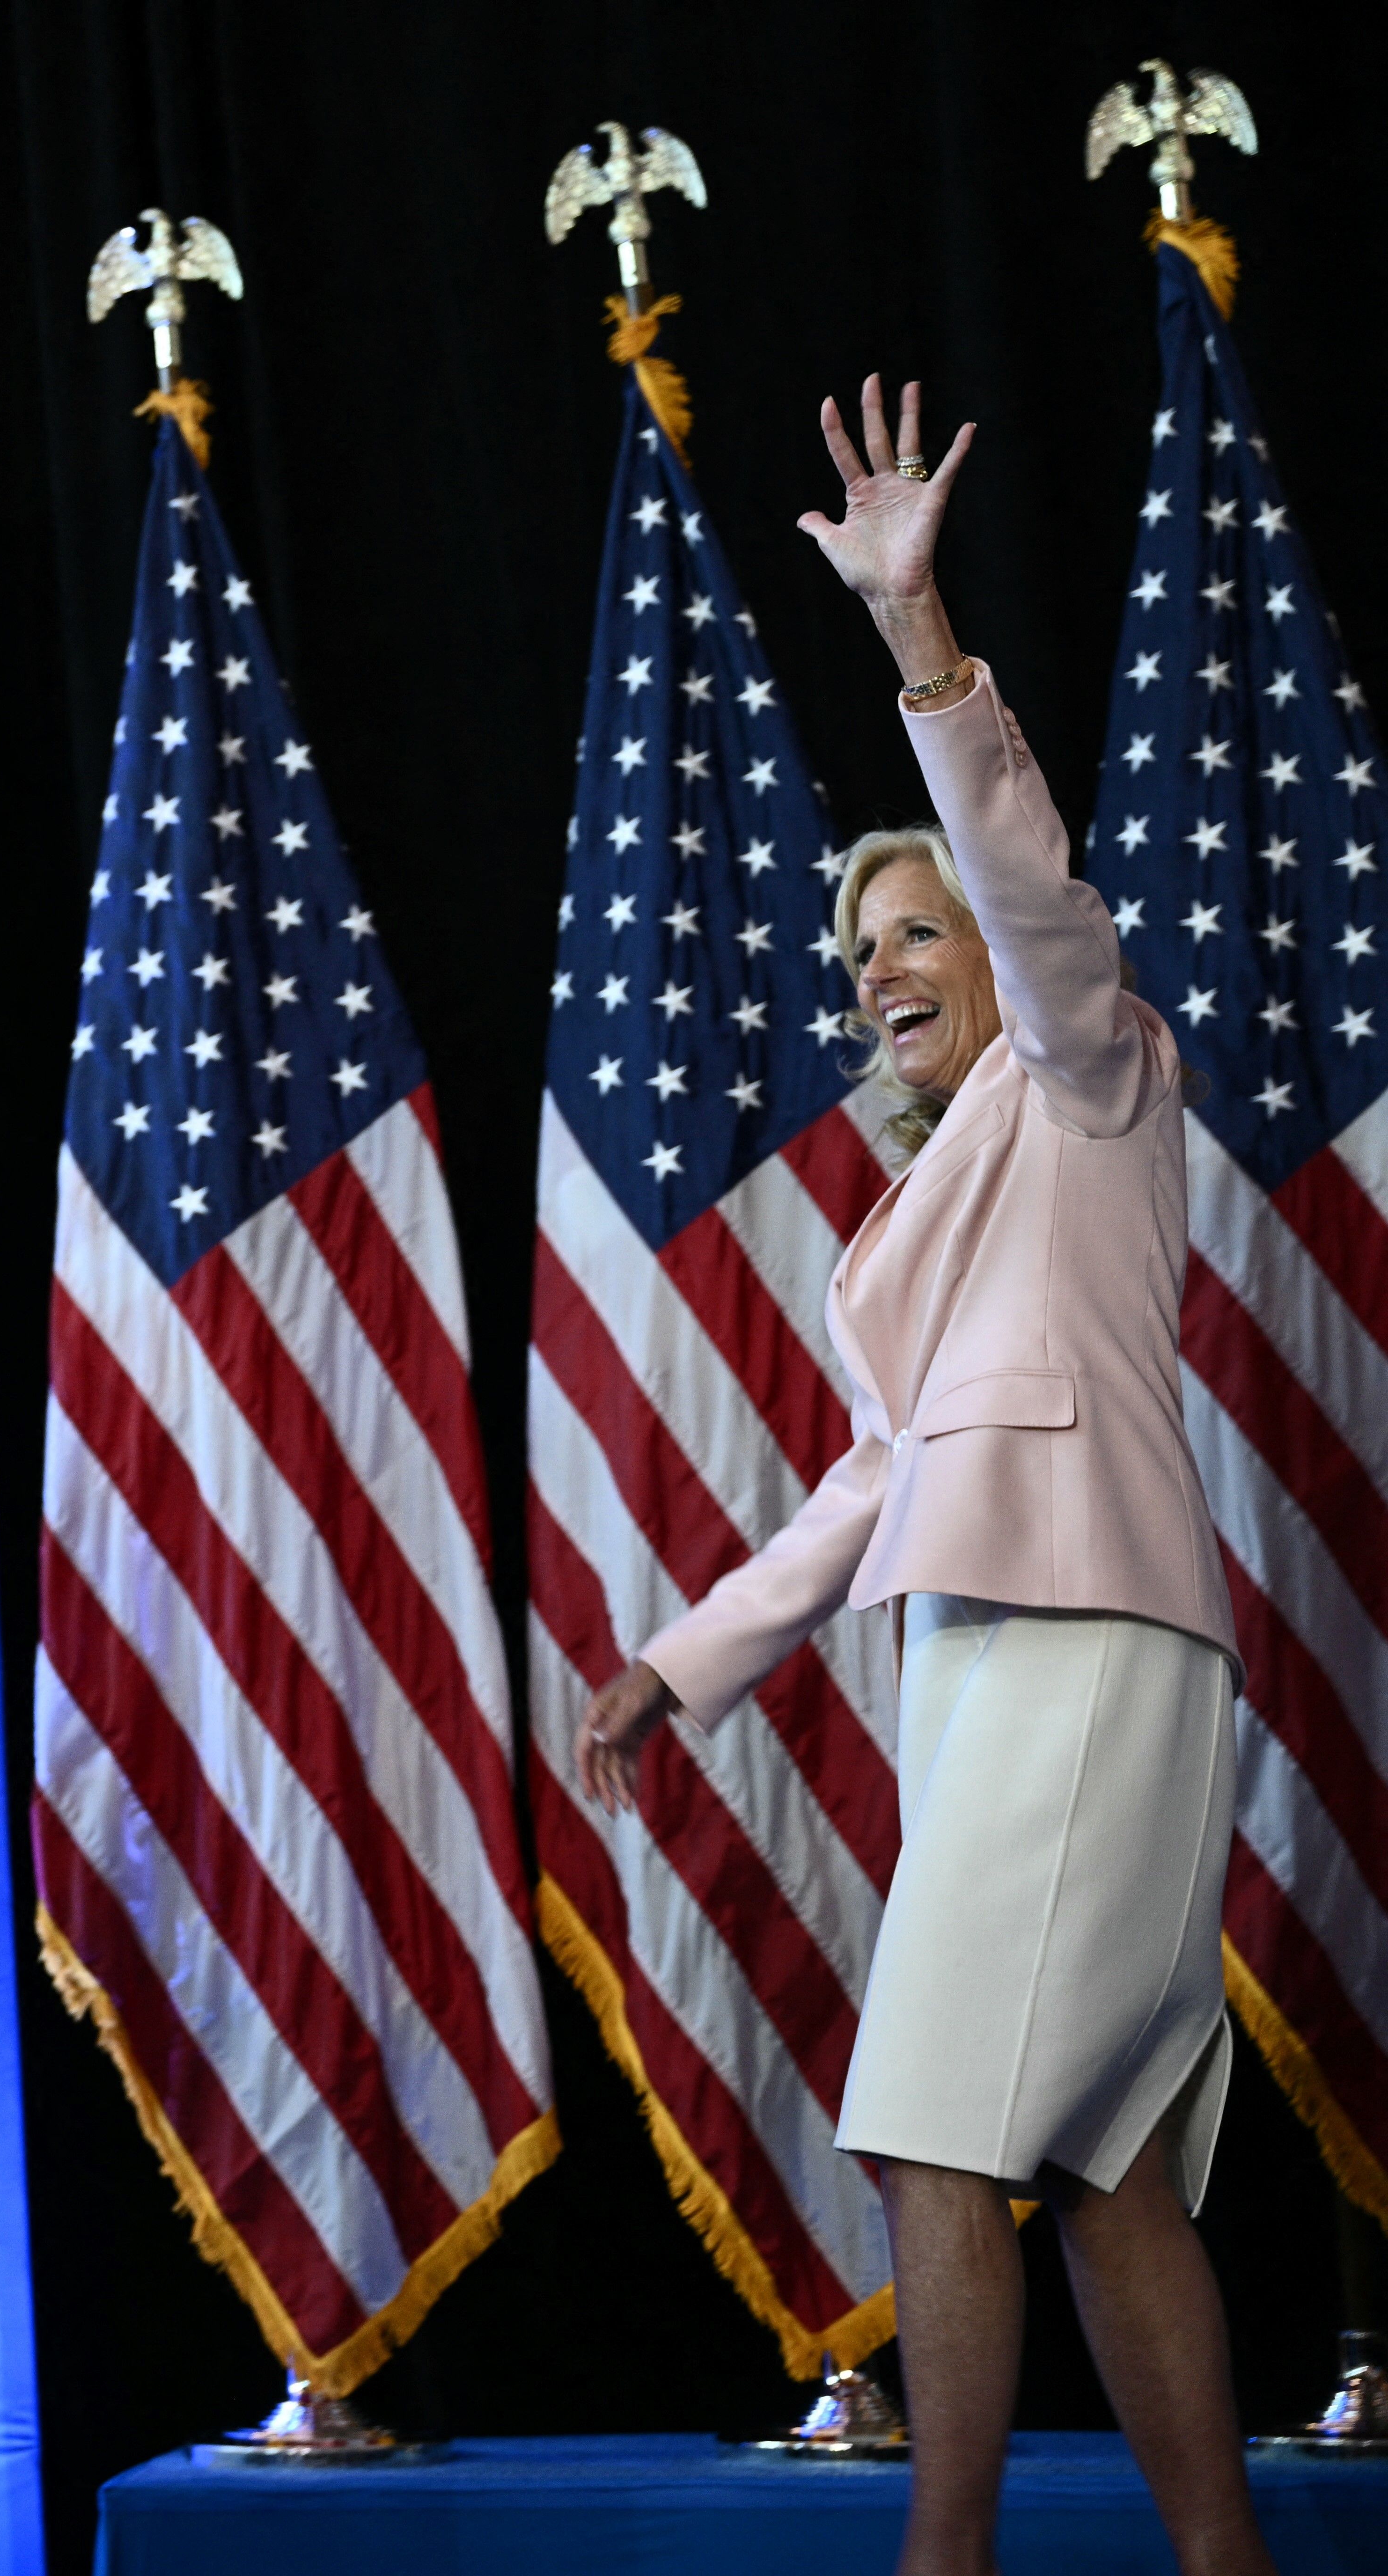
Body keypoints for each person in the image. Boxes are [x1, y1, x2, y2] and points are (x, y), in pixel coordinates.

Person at [580, 379, 1272, 2576]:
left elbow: (1019, 867)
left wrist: (917, 639)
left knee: (924, 2138)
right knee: (1097, 2174)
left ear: (996, 968)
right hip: (983, 1655)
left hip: (1079, 1635)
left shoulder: (1087, 1069)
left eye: (909, 936)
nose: (876, 966)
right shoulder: (915, 1214)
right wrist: (680, 1665)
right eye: (854, 949)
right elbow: (864, 1485)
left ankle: (938, 2561)